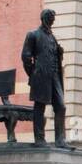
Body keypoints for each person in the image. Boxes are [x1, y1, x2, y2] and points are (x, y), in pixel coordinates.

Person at [21, 9, 69, 148]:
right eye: (50, 18)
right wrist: (33, 74)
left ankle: (60, 139)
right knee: (40, 106)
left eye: (53, 18)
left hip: (54, 76)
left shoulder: (52, 37)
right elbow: (25, 57)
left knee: (61, 106)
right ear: (44, 18)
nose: (52, 21)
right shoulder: (33, 35)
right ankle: (39, 138)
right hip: (41, 76)